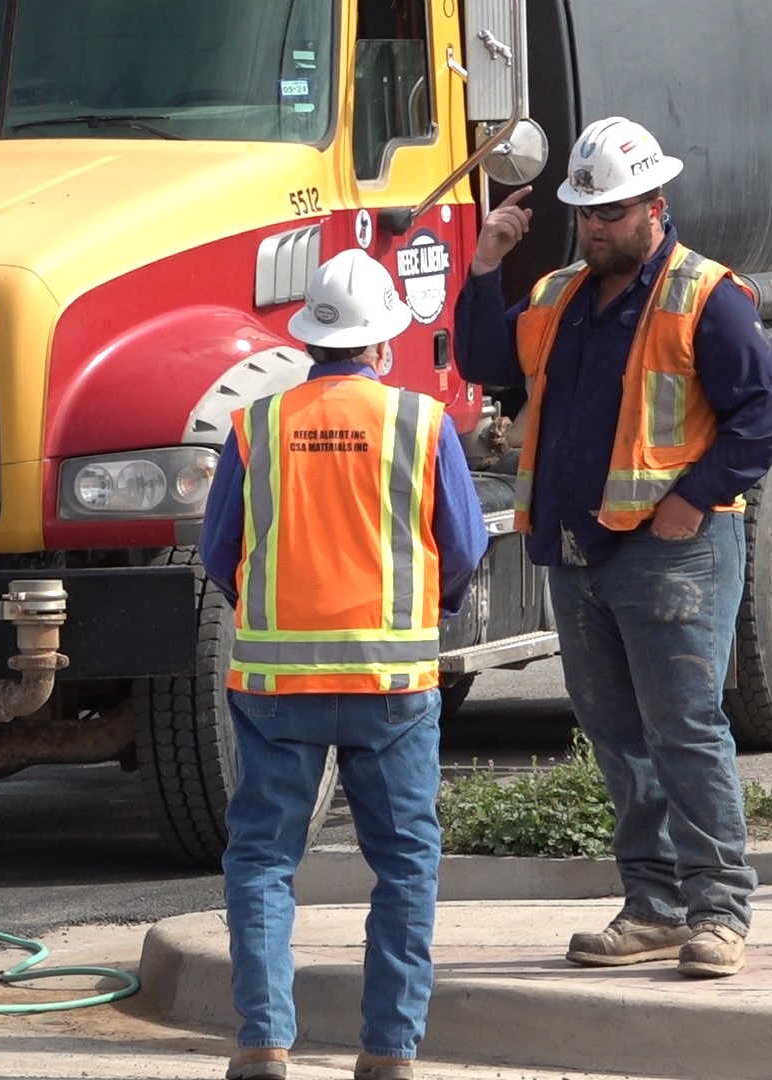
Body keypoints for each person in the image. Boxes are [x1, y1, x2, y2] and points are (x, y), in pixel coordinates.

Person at [455, 116, 772, 978]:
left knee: (684, 731)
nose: (597, 225)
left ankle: (718, 911)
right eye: (587, 211)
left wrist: (692, 499)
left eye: (612, 210)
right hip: (578, 554)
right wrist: (488, 260)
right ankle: (653, 906)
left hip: (671, 553)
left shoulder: (703, 295)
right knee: (616, 735)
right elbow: (482, 356)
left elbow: (767, 409)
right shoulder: (564, 295)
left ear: (655, 205)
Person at [200, 249, 488, 1080]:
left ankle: (262, 1041)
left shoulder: (256, 425)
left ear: (308, 342)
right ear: (384, 339)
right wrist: (430, 610)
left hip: (276, 690)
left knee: (261, 863)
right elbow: (463, 546)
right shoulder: (421, 421)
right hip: (392, 684)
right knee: (403, 867)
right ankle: (389, 1051)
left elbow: (220, 552)